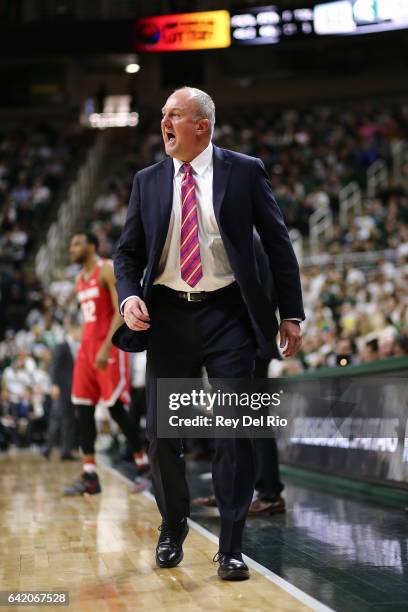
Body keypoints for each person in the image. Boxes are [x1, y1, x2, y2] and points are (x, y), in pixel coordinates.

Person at [113, 87, 304, 580]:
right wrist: (129, 295)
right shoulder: (147, 181)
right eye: (162, 115)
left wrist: (292, 313)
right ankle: (173, 524)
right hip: (168, 316)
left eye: (174, 115)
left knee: (234, 431)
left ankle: (232, 547)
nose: (164, 122)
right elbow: (128, 254)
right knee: (161, 435)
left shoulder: (244, 170)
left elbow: (279, 243)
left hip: (229, 314)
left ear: (202, 124)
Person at [63, 232, 144, 495]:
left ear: (92, 245)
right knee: (82, 406)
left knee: (116, 409)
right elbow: (90, 316)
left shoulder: (106, 269)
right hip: (87, 348)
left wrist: (106, 347)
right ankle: (89, 474)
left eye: (76, 243)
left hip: (108, 347)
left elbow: (119, 312)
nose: (71, 248)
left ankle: (145, 466)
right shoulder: (78, 279)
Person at [42, 316, 80, 461]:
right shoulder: (61, 346)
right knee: (57, 420)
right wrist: (54, 385)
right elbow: (54, 367)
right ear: (73, 330)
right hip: (61, 389)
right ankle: (47, 449)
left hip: (72, 389)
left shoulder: (77, 346)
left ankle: (66, 451)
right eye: (79, 330)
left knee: (69, 420)